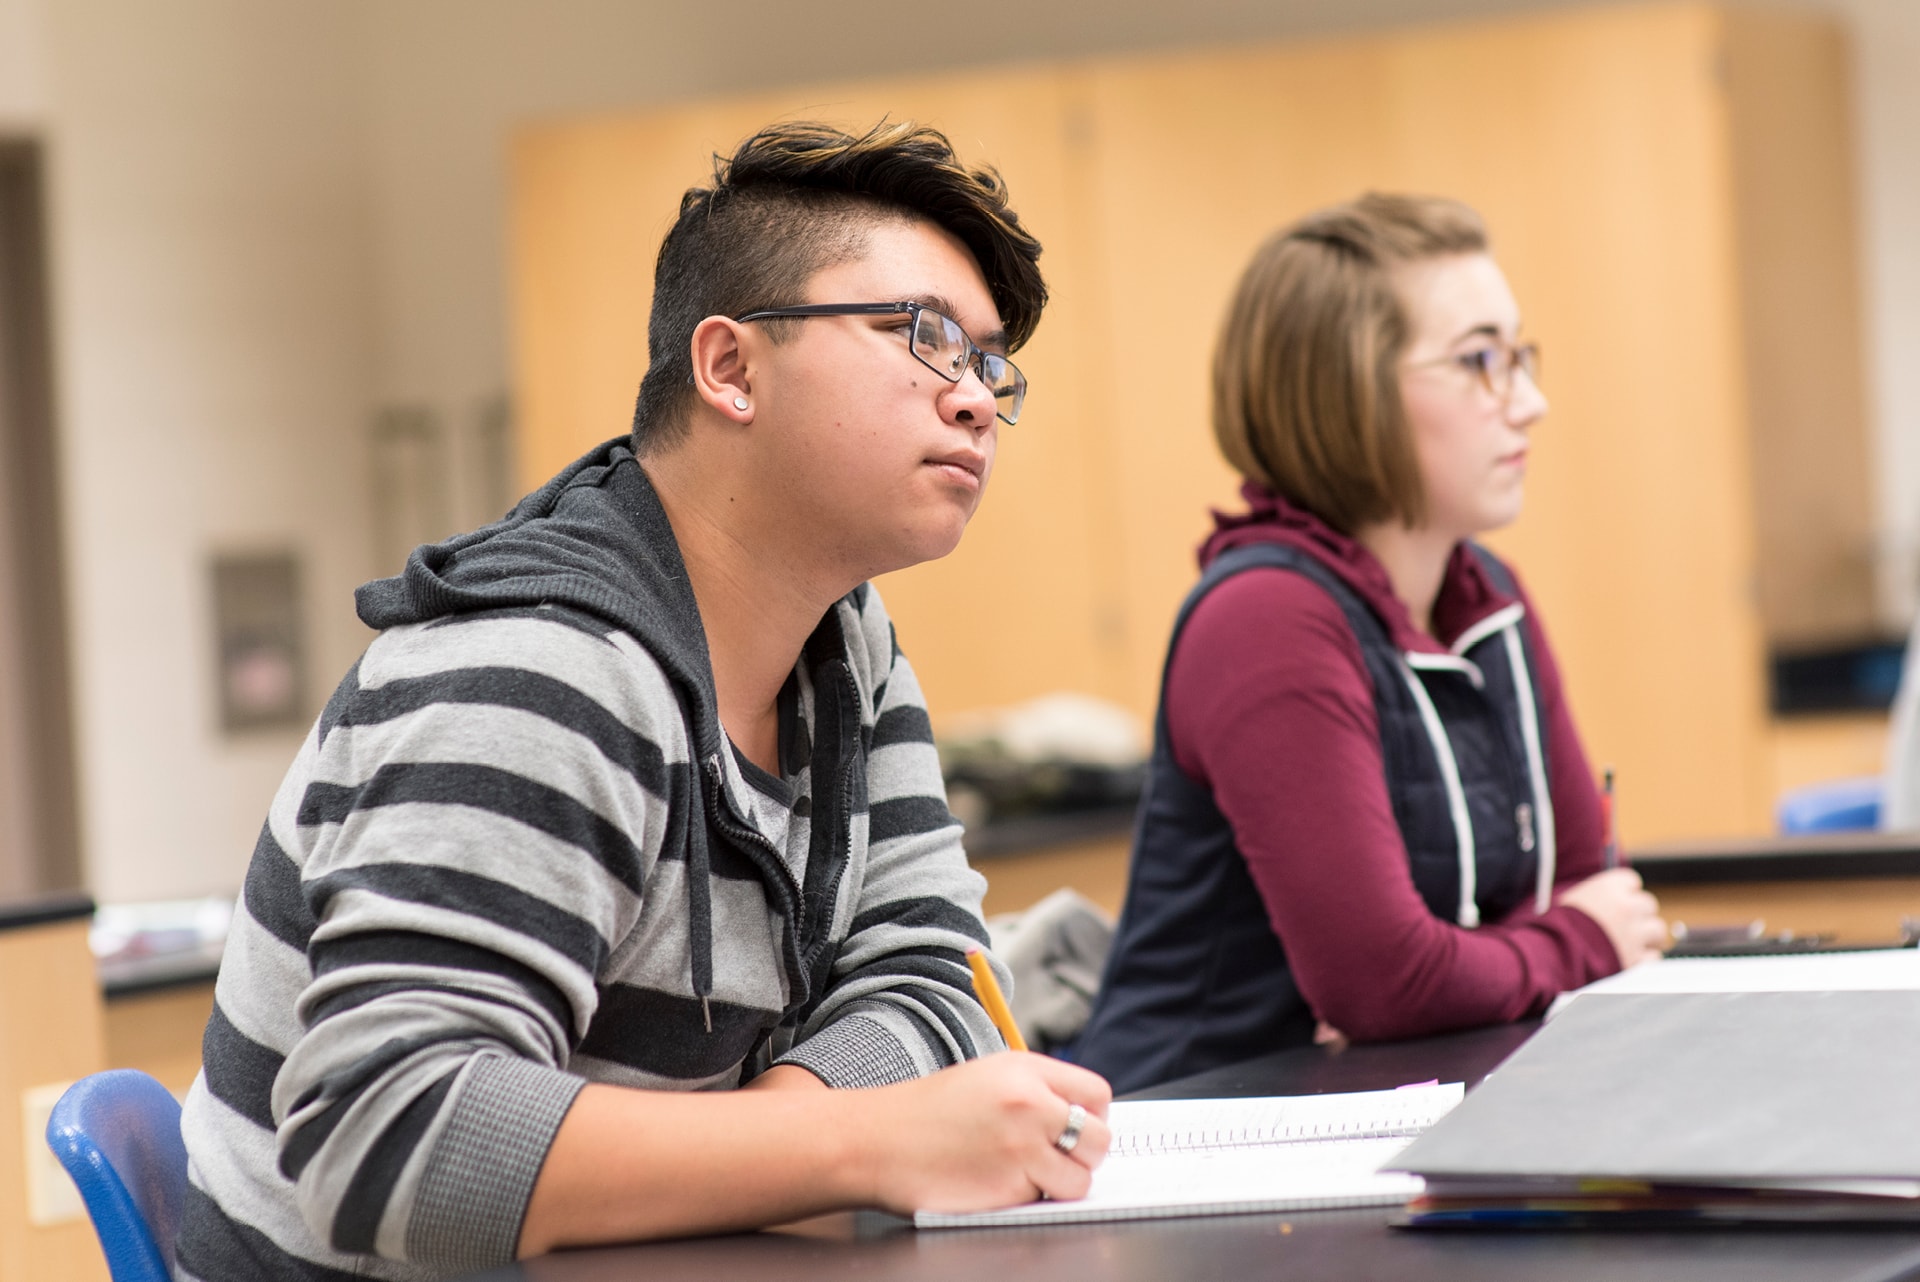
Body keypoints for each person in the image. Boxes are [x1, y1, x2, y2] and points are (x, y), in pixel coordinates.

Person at [176, 120, 1112, 1281]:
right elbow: (385, 1136)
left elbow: (929, 964)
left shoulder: (846, 640)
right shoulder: (542, 661)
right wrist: (852, 1140)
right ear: (729, 367)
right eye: (920, 336)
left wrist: (803, 1135)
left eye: (987, 364)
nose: (973, 398)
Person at [1074, 194, 1666, 1095]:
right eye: (1480, 361)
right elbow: (1387, 983)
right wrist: (1571, 943)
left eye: (1520, 356)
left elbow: (1588, 881)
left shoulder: (1488, 595)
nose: (1531, 402)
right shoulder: (1265, 616)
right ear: (1347, 392)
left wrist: (1501, 956)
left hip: (1402, 1106)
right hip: (1199, 1146)